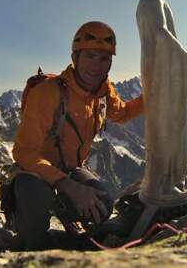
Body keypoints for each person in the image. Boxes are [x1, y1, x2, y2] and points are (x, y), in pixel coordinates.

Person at [11, 21, 144, 250]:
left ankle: (68, 225)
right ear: (75, 57)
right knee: (34, 194)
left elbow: (120, 113)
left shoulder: (103, 90)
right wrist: (70, 187)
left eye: (104, 58)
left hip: (71, 168)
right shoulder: (48, 93)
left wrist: (154, 93)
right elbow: (23, 152)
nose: (97, 65)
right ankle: (34, 246)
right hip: (36, 171)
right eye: (90, 56)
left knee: (102, 206)